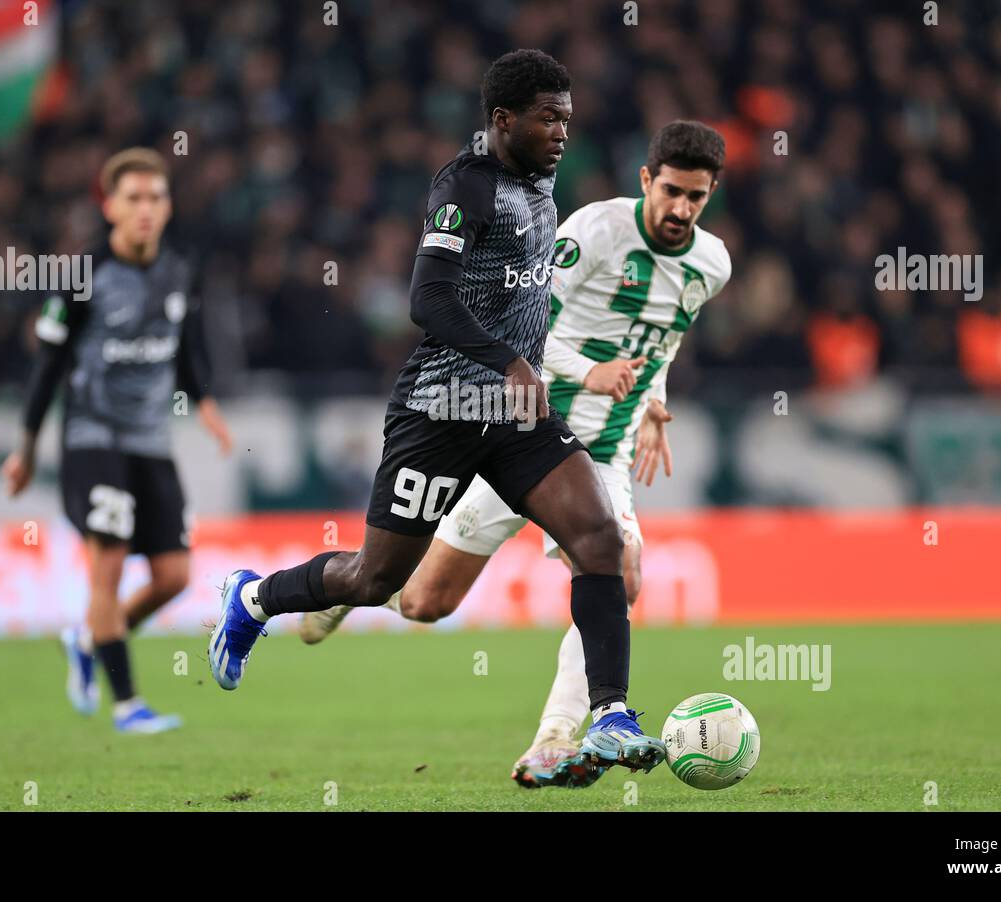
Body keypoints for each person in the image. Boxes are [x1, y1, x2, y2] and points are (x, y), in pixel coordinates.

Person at [208, 49, 669, 775]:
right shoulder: (466, 185)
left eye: (568, 119)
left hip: (516, 418)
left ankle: (608, 714)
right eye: (548, 118)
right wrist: (512, 362)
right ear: (502, 119)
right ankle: (255, 597)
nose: (561, 132)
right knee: (376, 581)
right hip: (443, 407)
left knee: (600, 537)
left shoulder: (541, 183)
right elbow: (428, 298)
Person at [300, 121, 732, 788]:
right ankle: (356, 586)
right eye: (671, 191)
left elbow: (660, 339)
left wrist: (652, 400)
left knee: (620, 568)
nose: (681, 209)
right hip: (518, 430)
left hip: (602, 449)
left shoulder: (713, 265)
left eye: (696, 198)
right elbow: (522, 320)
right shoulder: (592, 231)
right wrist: (587, 371)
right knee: (423, 603)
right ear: (647, 180)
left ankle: (556, 742)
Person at [2, 147, 232, 734]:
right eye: (133, 198)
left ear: (168, 204)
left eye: (155, 197)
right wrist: (26, 447)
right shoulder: (84, 277)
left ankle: (86, 640)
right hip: (92, 437)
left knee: (174, 576)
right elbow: (49, 364)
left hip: (151, 440)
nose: (145, 209)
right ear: (109, 207)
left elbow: (184, 345)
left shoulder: (180, 268)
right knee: (106, 564)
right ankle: (128, 705)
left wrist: (203, 403)